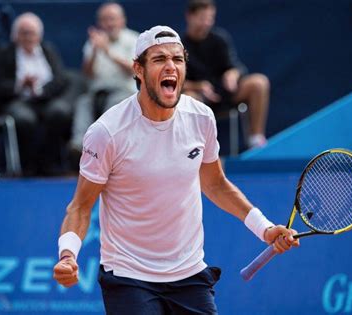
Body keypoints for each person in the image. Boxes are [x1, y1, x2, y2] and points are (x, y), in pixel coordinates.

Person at [53, 25, 299, 314]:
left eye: (178, 59)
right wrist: (68, 254)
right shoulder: (107, 132)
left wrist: (266, 229)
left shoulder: (201, 117)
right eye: (159, 60)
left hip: (190, 274)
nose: (171, 66)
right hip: (130, 277)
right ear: (138, 70)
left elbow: (216, 184)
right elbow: (81, 207)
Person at [0, 12, 71, 176]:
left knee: (61, 112)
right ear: (15, 35)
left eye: (31, 33)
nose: (28, 37)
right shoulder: (4, 55)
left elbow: (61, 79)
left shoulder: (49, 51)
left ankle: (51, 163)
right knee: (24, 118)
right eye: (23, 33)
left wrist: (40, 89)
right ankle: (29, 166)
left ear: (39, 35)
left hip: (46, 99)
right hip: (17, 100)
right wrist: (20, 85)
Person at [182, 0, 270, 149]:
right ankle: (194, 147)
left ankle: (256, 139)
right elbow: (177, 82)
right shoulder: (180, 45)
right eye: (202, 18)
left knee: (259, 83)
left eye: (210, 18)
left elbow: (236, 67)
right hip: (200, 97)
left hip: (226, 93)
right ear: (189, 16)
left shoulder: (220, 39)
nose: (207, 23)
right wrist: (198, 86)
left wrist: (232, 74)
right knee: (188, 98)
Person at [68, 2, 138, 163]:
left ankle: (105, 148)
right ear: (99, 22)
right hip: (97, 93)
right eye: (104, 19)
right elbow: (87, 74)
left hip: (124, 93)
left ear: (122, 20)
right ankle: (79, 147)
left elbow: (135, 69)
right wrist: (94, 51)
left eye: (112, 19)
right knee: (83, 103)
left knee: (114, 104)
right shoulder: (94, 41)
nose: (109, 23)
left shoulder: (134, 39)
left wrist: (108, 52)